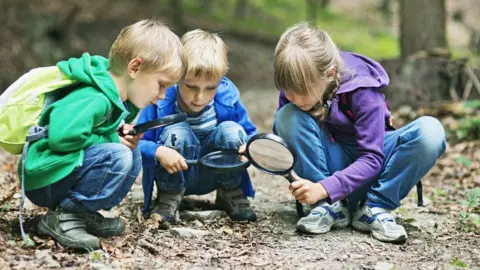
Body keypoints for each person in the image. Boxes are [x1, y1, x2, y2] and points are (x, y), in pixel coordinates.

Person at [18, 19, 187, 250]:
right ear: (135, 68)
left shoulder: (111, 97)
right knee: (118, 154)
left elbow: (92, 133)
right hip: (44, 177)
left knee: (131, 153)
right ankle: (63, 216)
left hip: (59, 172)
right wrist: (111, 139)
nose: (162, 95)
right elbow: (62, 137)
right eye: (161, 85)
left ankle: (80, 213)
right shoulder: (95, 97)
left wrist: (116, 133)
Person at [273, 22, 446, 243]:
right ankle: (328, 208)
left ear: (330, 73)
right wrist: (261, 151)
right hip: (327, 172)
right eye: (287, 91)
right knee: (287, 116)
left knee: (431, 131)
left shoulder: (363, 90)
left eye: (301, 92)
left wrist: (325, 188)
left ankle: (375, 207)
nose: (294, 98)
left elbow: (372, 158)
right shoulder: (295, 89)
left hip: (373, 172)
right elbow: (288, 142)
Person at [138, 29, 258, 223]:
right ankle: (169, 197)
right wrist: (158, 151)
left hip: (215, 173)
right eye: (191, 86)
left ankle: (230, 192)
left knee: (231, 130)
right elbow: (138, 142)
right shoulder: (161, 100)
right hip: (176, 172)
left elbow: (251, 134)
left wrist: (248, 148)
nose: (199, 97)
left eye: (210, 88)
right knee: (177, 131)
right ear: (177, 77)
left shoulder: (227, 98)